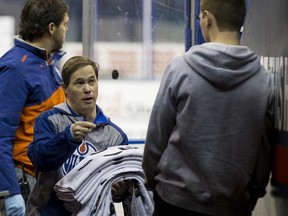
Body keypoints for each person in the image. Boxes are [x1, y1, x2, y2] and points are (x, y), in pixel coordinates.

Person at [142, 0, 275, 216]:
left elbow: (157, 137)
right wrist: (251, 196)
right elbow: (263, 154)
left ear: (207, 18)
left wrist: (152, 182)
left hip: (174, 202)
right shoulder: (264, 81)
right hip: (232, 206)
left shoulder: (180, 69)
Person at [26, 56, 129, 215]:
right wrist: (67, 138)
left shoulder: (116, 136)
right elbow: (39, 159)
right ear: (65, 88)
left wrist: (120, 191)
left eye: (91, 81)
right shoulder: (49, 121)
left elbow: (121, 193)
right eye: (79, 83)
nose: (87, 89)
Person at [0, 0, 69, 215]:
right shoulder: (16, 68)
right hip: (24, 182)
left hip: (43, 179)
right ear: (51, 28)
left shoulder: (46, 64)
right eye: (65, 24)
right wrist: (10, 192)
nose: (66, 30)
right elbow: (1, 134)